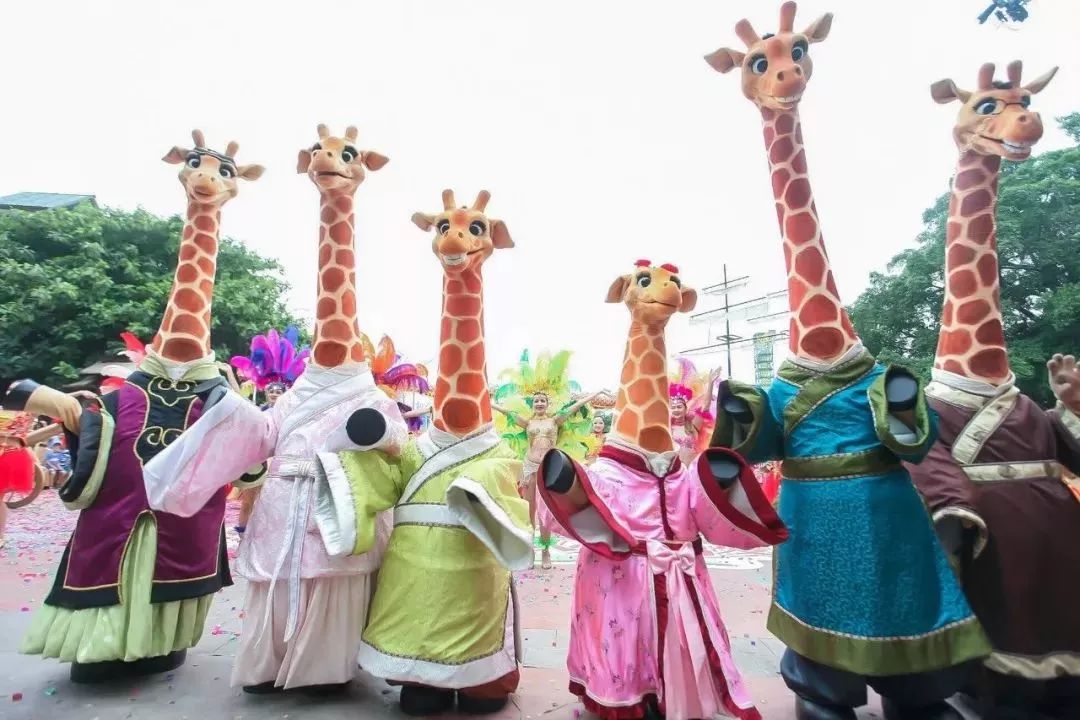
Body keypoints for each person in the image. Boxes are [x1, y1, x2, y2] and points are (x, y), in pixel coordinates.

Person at [493, 388, 597, 569]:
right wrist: (490, 404)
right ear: (532, 405)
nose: (539, 403)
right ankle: (530, 550)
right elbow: (507, 412)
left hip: (548, 468)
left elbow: (575, 407)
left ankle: (545, 550)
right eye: (536, 401)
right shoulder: (527, 422)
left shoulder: (555, 420)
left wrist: (594, 394)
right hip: (529, 467)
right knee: (529, 510)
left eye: (542, 400)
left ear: (548, 404)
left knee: (545, 513)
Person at [669, 364, 720, 466]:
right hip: (677, 471)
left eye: (679, 407)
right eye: (673, 407)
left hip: (693, 469)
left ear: (685, 409)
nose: (676, 410)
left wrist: (710, 383)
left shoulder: (693, 426)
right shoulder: (669, 428)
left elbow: (705, 407)